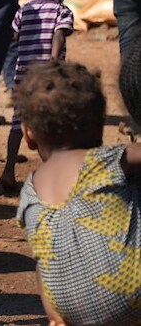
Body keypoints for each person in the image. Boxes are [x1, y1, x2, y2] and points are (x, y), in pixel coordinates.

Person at [15, 60, 140, 325]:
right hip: (132, 297)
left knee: (44, 255)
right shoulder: (108, 159)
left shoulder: (31, 187)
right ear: (101, 123)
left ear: (29, 135)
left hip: (69, 308)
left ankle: (56, 319)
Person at [0, 0, 74, 194]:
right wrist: (53, 64)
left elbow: (13, 38)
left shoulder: (25, 9)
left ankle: (8, 170)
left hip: (24, 76)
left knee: (17, 122)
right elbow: (59, 37)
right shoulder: (62, 10)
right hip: (48, 77)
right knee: (49, 123)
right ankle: (52, 173)